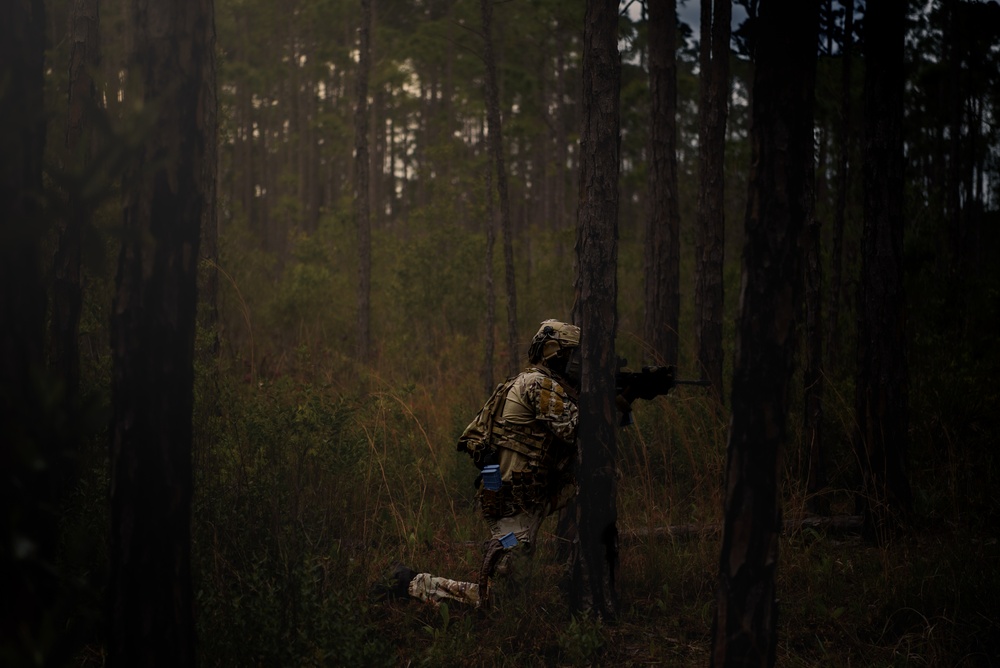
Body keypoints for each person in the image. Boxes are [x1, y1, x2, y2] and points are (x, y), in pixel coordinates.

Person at [373, 319, 582, 609]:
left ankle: (507, 554)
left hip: (529, 500)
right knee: (500, 600)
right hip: (512, 507)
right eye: (573, 355)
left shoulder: (538, 383)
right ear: (553, 352)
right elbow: (578, 429)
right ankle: (411, 582)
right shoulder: (539, 384)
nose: (578, 363)